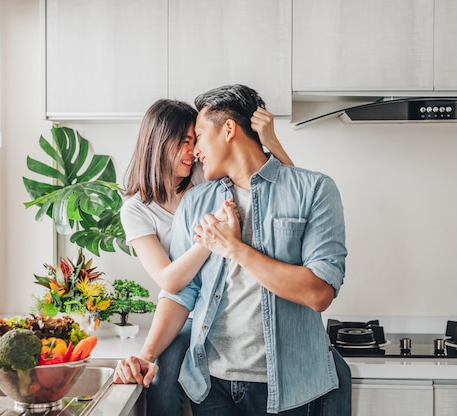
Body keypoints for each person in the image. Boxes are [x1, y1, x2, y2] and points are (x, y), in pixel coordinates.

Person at [114, 84, 350, 416]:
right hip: (211, 385)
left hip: (289, 386)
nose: (194, 149)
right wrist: (147, 355)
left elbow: (319, 294)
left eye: (197, 136)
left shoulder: (315, 190)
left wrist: (234, 248)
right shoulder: (196, 200)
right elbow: (181, 292)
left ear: (228, 130)